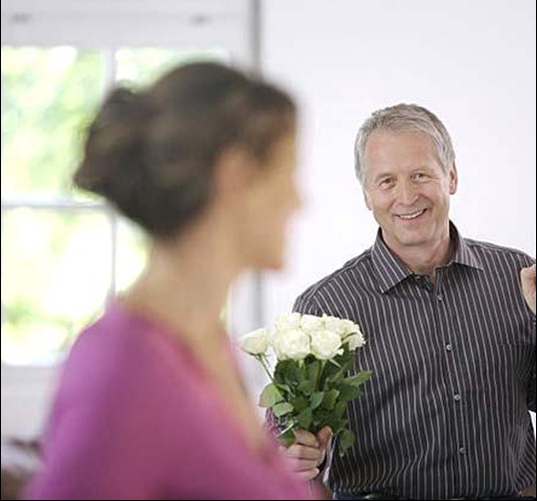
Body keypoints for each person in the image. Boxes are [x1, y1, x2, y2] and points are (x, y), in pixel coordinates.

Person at [25, 61, 319, 500]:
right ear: (235, 175)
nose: (299, 201)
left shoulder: (208, 342)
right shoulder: (122, 365)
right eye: (287, 172)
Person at [280, 103, 536, 500]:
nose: (406, 196)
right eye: (386, 181)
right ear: (367, 195)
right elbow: (283, 435)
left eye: (420, 175)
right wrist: (292, 452)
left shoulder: (518, 275)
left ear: (450, 177)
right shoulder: (324, 306)